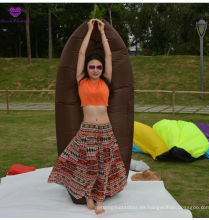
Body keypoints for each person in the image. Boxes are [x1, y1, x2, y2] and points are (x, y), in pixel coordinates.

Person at [48, 18, 127, 215]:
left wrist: (102, 33)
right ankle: (88, 196)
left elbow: (108, 57)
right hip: (88, 130)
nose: (95, 70)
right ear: (87, 69)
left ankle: (99, 200)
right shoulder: (81, 81)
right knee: (87, 165)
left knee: (104, 167)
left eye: (98, 67)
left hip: (106, 130)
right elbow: (81, 54)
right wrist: (89, 29)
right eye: (91, 67)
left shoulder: (106, 81)